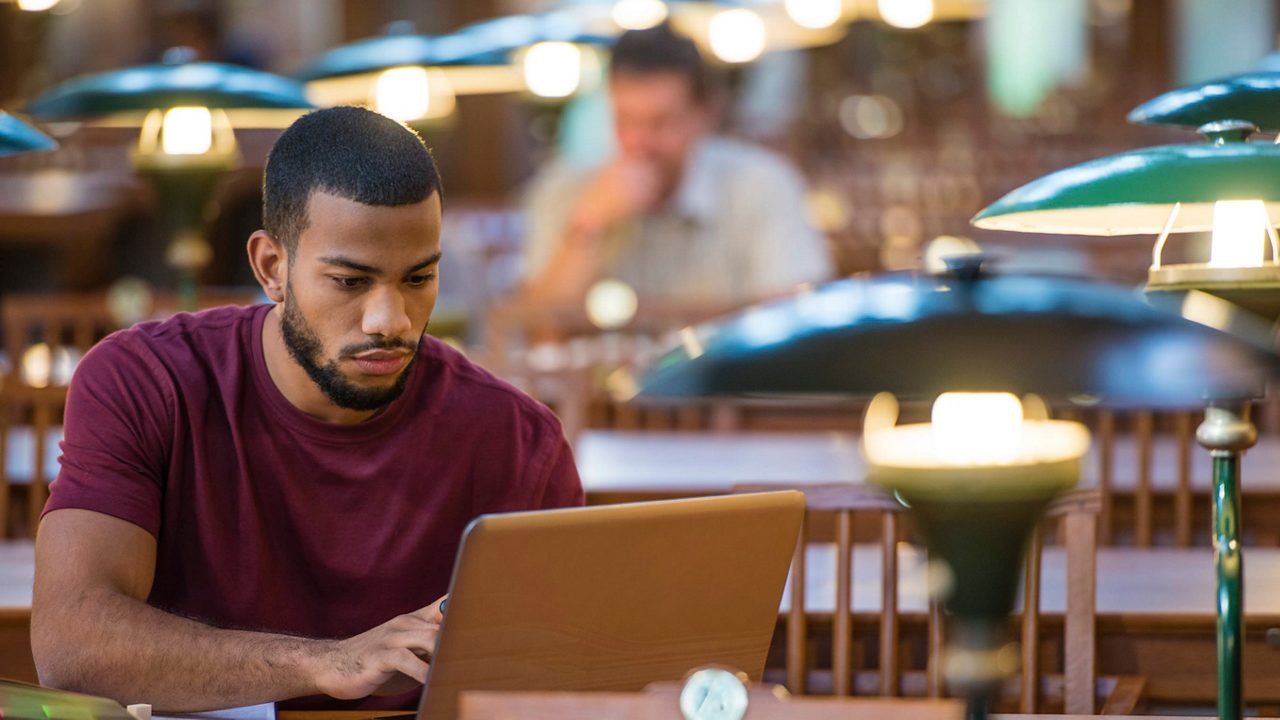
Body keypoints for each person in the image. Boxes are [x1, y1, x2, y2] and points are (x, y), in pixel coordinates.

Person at [31, 107, 584, 712]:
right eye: (350, 281)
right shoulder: (145, 381)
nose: (390, 321)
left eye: (419, 278)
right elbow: (71, 645)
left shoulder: (517, 439)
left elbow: (565, 674)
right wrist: (328, 662)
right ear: (272, 267)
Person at [522, 24, 834, 311]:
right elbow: (536, 328)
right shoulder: (565, 191)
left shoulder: (763, 185)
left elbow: (794, 320)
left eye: (660, 123)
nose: (639, 142)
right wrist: (588, 229)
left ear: (705, 114)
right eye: (625, 120)